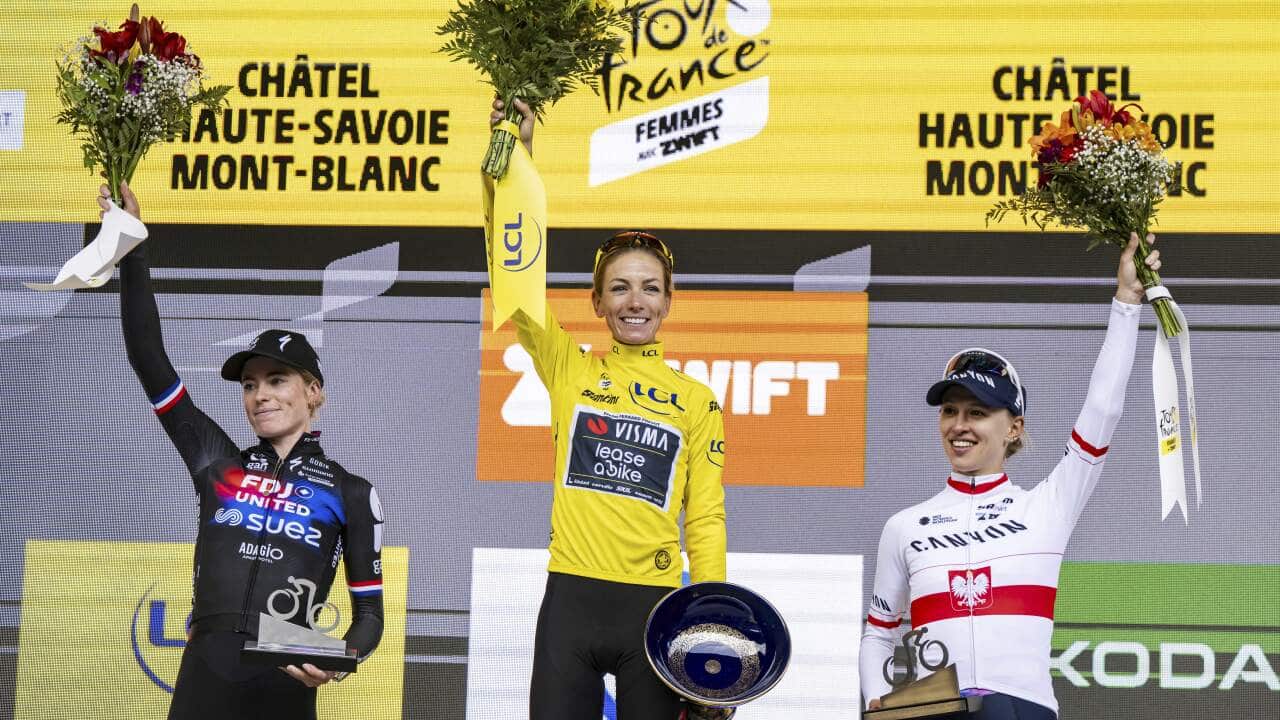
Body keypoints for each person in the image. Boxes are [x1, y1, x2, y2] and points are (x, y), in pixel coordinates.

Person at [106, 181, 385, 720]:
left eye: (277, 380)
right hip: (205, 670)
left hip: (285, 675)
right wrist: (134, 249)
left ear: (313, 392)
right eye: (249, 384)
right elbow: (150, 359)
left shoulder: (351, 492)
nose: (260, 395)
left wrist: (339, 657)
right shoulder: (217, 463)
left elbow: (369, 614)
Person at [489, 98, 728, 720]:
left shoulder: (696, 401)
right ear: (596, 301)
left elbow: (703, 520)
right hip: (569, 599)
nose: (635, 301)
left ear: (669, 301)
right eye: (619, 287)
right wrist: (513, 158)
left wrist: (712, 625)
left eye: (650, 288)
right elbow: (515, 278)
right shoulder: (572, 370)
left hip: (654, 609)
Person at [859, 234, 1161, 719]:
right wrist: (876, 701)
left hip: (1023, 709)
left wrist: (1126, 303)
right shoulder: (904, 527)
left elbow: (1102, 409)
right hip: (932, 709)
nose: (959, 425)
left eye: (977, 412)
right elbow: (879, 632)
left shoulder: (1047, 506)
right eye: (950, 411)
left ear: (1014, 427)